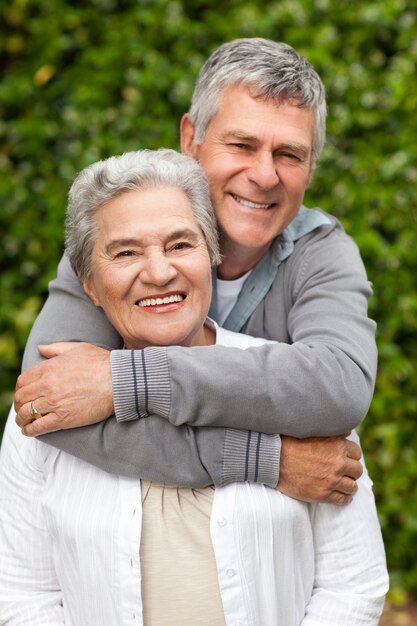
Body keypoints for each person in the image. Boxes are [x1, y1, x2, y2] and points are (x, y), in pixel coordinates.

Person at [0, 150, 388, 625]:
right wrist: (269, 460)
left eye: (181, 245)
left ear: (212, 256)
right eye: (125, 252)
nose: (160, 271)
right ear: (89, 286)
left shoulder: (296, 394)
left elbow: (352, 588)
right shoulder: (53, 402)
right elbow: (23, 595)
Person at [14, 38, 377, 504]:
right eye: (242, 144)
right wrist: (266, 460)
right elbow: (47, 401)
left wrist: (124, 381)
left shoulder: (321, 253)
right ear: (191, 140)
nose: (265, 175)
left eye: (289, 154)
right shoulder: (119, 236)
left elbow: (338, 387)